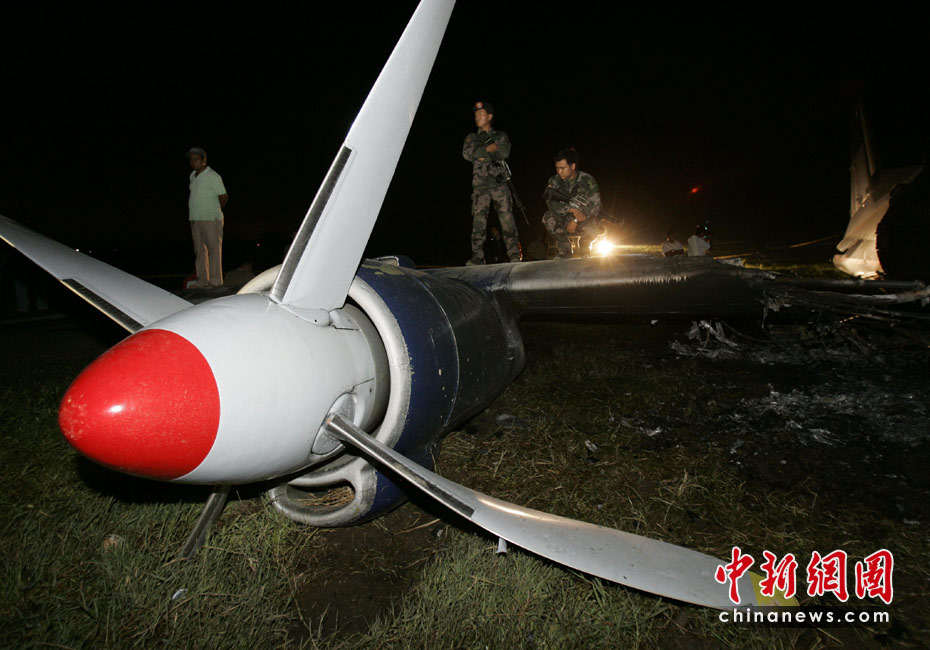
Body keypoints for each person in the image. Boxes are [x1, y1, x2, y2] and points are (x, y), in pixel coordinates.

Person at [462, 101, 520, 264]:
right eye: (475, 115)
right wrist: (487, 150)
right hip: (480, 186)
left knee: (507, 219)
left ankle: (514, 255)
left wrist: (481, 155)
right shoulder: (472, 137)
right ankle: (477, 257)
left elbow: (504, 152)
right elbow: (467, 154)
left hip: (499, 183)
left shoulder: (500, 136)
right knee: (479, 221)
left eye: (481, 114)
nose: (477, 117)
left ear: (489, 117)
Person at [542, 148, 601, 258]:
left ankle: (585, 249)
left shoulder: (587, 180)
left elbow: (596, 205)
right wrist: (570, 210)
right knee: (548, 217)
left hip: (583, 219)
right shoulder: (554, 181)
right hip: (564, 219)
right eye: (557, 168)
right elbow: (550, 202)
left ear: (573, 166)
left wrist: (575, 220)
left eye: (562, 168)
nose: (559, 171)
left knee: (595, 224)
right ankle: (565, 250)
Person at [187, 147, 228, 286]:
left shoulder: (213, 176)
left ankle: (215, 281)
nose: (193, 162)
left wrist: (213, 211)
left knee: (214, 250)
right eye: (191, 159)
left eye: (196, 159)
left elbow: (223, 197)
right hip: (195, 219)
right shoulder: (192, 175)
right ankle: (202, 281)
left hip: (211, 219)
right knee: (200, 251)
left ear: (204, 160)